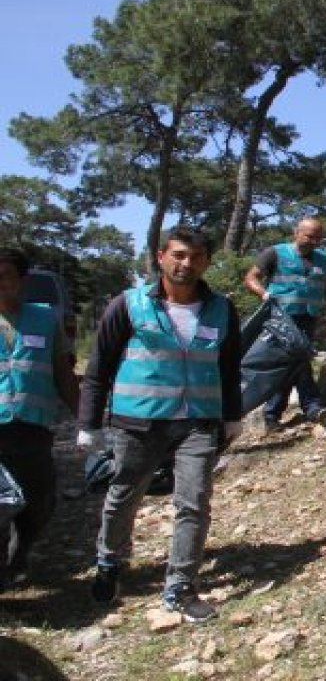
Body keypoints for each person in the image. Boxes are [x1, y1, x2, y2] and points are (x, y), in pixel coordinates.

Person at [77, 228, 242, 623]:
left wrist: (233, 416)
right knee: (124, 496)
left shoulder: (222, 309)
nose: (188, 264)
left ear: (206, 261)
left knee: (194, 501)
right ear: (161, 256)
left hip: (198, 422)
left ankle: (181, 587)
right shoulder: (129, 305)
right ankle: (109, 562)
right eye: (180, 255)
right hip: (139, 422)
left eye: (197, 256)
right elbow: (98, 370)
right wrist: (89, 422)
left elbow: (228, 367)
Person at [0, 248, 78, 591]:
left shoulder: (45, 318)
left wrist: (88, 420)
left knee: (39, 501)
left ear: (21, 280)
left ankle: (22, 551)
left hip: (32, 427)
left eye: (6, 276)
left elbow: (63, 373)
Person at [243, 217, 326, 429]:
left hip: (308, 317)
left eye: (318, 238)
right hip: (281, 319)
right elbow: (250, 278)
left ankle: (272, 414)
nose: (314, 242)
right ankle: (312, 406)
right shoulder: (275, 252)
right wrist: (264, 294)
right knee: (297, 359)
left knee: (292, 364)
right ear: (297, 233)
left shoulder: (323, 258)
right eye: (310, 237)